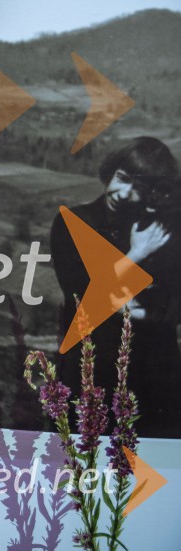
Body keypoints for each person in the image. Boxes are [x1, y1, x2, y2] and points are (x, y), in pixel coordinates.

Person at [50, 136, 181, 438]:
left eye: (140, 187)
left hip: (156, 370)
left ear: (153, 191)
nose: (124, 194)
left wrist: (144, 314)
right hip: (94, 366)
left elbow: (174, 299)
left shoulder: (160, 227)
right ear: (111, 172)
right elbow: (83, 295)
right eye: (122, 178)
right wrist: (137, 254)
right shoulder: (74, 222)